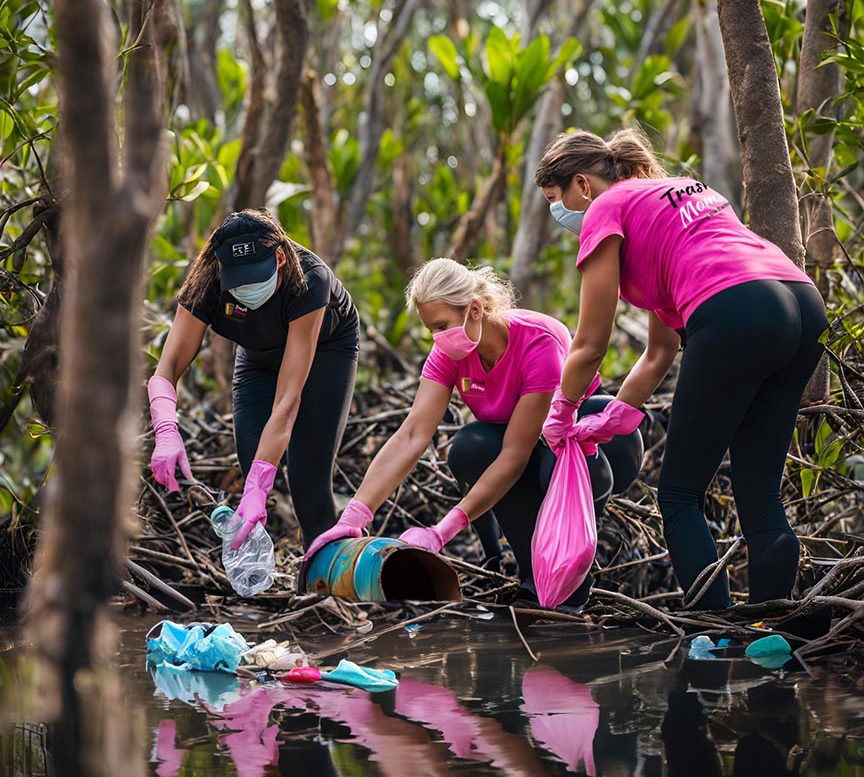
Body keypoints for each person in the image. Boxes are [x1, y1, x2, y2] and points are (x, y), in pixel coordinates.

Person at [534, 128, 827, 609]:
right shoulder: (674, 193)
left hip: (737, 307)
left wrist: (561, 412)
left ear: (582, 185)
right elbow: (659, 350)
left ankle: (716, 640)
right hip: (799, 302)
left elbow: (588, 344)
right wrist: (622, 410)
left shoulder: (604, 209)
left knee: (678, 496)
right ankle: (772, 638)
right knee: (762, 502)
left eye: (555, 198)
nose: (559, 212)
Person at [304, 258, 641, 610]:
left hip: (589, 453)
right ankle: (532, 576)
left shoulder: (537, 343)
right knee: (470, 448)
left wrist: (443, 531)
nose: (437, 338)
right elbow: (412, 434)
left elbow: (515, 453)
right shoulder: (450, 351)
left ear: (475, 309)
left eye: (441, 325)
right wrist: (354, 516)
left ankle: (572, 578)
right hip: (524, 450)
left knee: (547, 464)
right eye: (430, 330)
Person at [147, 209, 359, 550]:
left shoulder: (310, 278)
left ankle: (324, 589)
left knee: (309, 485)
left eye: (255, 275)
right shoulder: (207, 282)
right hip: (258, 356)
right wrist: (166, 431)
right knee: (252, 462)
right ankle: (260, 576)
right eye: (238, 279)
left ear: (279, 256)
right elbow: (167, 368)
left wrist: (262, 485)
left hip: (325, 350)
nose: (246, 287)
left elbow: (288, 400)